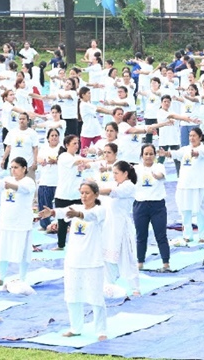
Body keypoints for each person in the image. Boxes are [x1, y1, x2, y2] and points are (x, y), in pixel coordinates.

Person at [39, 182, 108, 341]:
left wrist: (78, 214)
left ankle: (101, 330)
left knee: (95, 297)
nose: (84, 196)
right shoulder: (76, 207)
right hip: (73, 260)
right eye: (82, 193)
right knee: (72, 296)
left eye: (88, 193)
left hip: (92, 261)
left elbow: (90, 216)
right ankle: (75, 327)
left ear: (96, 194)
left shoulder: (100, 210)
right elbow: (63, 212)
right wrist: (52, 212)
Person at [0, 157, 35, 286]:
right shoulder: (7, 180)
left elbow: (23, 189)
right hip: (6, 221)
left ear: (24, 168)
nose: (13, 170)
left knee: (23, 252)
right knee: (2, 250)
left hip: (22, 222)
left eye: (16, 167)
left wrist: (9, 185)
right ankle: (0, 277)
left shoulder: (29, 182)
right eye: (11, 168)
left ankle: (22, 278)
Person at [97, 161, 140, 295]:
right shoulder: (115, 183)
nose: (114, 176)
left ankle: (135, 288)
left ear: (125, 174)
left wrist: (93, 191)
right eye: (113, 173)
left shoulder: (129, 186)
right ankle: (109, 286)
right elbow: (104, 188)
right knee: (106, 256)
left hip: (122, 227)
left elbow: (110, 192)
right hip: (109, 226)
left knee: (127, 258)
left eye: (116, 173)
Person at [163, 128, 204, 243]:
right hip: (184, 185)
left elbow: (198, 153)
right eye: (190, 136)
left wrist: (194, 153)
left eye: (194, 136)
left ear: (200, 137)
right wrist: (165, 153)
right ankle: (187, 235)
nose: (191, 138)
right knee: (185, 211)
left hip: (199, 185)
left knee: (201, 211)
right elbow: (174, 154)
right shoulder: (185, 149)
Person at [133, 144, 170, 271]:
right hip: (140, 205)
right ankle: (140, 262)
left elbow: (161, 175)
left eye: (151, 154)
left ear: (155, 155)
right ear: (142, 155)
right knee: (141, 235)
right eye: (146, 154)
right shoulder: (136, 169)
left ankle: (166, 263)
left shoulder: (159, 166)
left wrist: (157, 175)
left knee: (161, 235)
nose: (148, 156)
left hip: (157, 205)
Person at [52, 135, 91, 250]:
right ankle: (61, 245)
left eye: (78, 143)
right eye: (74, 143)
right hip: (63, 195)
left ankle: (80, 245)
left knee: (79, 222)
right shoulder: (64, 156)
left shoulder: (78, 157)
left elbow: (86, 167)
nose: (77, 146)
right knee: (62, 222)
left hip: (76, 196)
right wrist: (95, 160)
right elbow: (79, 161)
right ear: (67, 145)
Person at [37, 127, 61, 231]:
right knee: (44, 204)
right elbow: (38, 158)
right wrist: (42, 160)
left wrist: (55, 160)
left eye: (56, 135)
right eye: (52, 135)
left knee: (59, 206)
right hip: (45, 180)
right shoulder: (44, 148)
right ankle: (44, 224)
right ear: (48, 138)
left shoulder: (62, 148)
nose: (54, 137)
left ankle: (59, 225)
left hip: (58, 181)